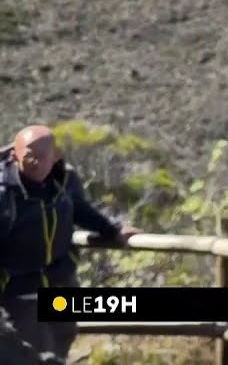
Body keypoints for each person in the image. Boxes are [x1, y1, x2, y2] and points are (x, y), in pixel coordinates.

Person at [0, 125, 141, 362]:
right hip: (21, 289)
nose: (36, 162)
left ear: (55, 156)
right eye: (29, 156)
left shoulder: (64, 180)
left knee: (62, 339)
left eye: (43, 156)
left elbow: (81, 210)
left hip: (61, 281)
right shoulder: (4, 193)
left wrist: (113, 230)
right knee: (34, 353)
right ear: (15, 156)